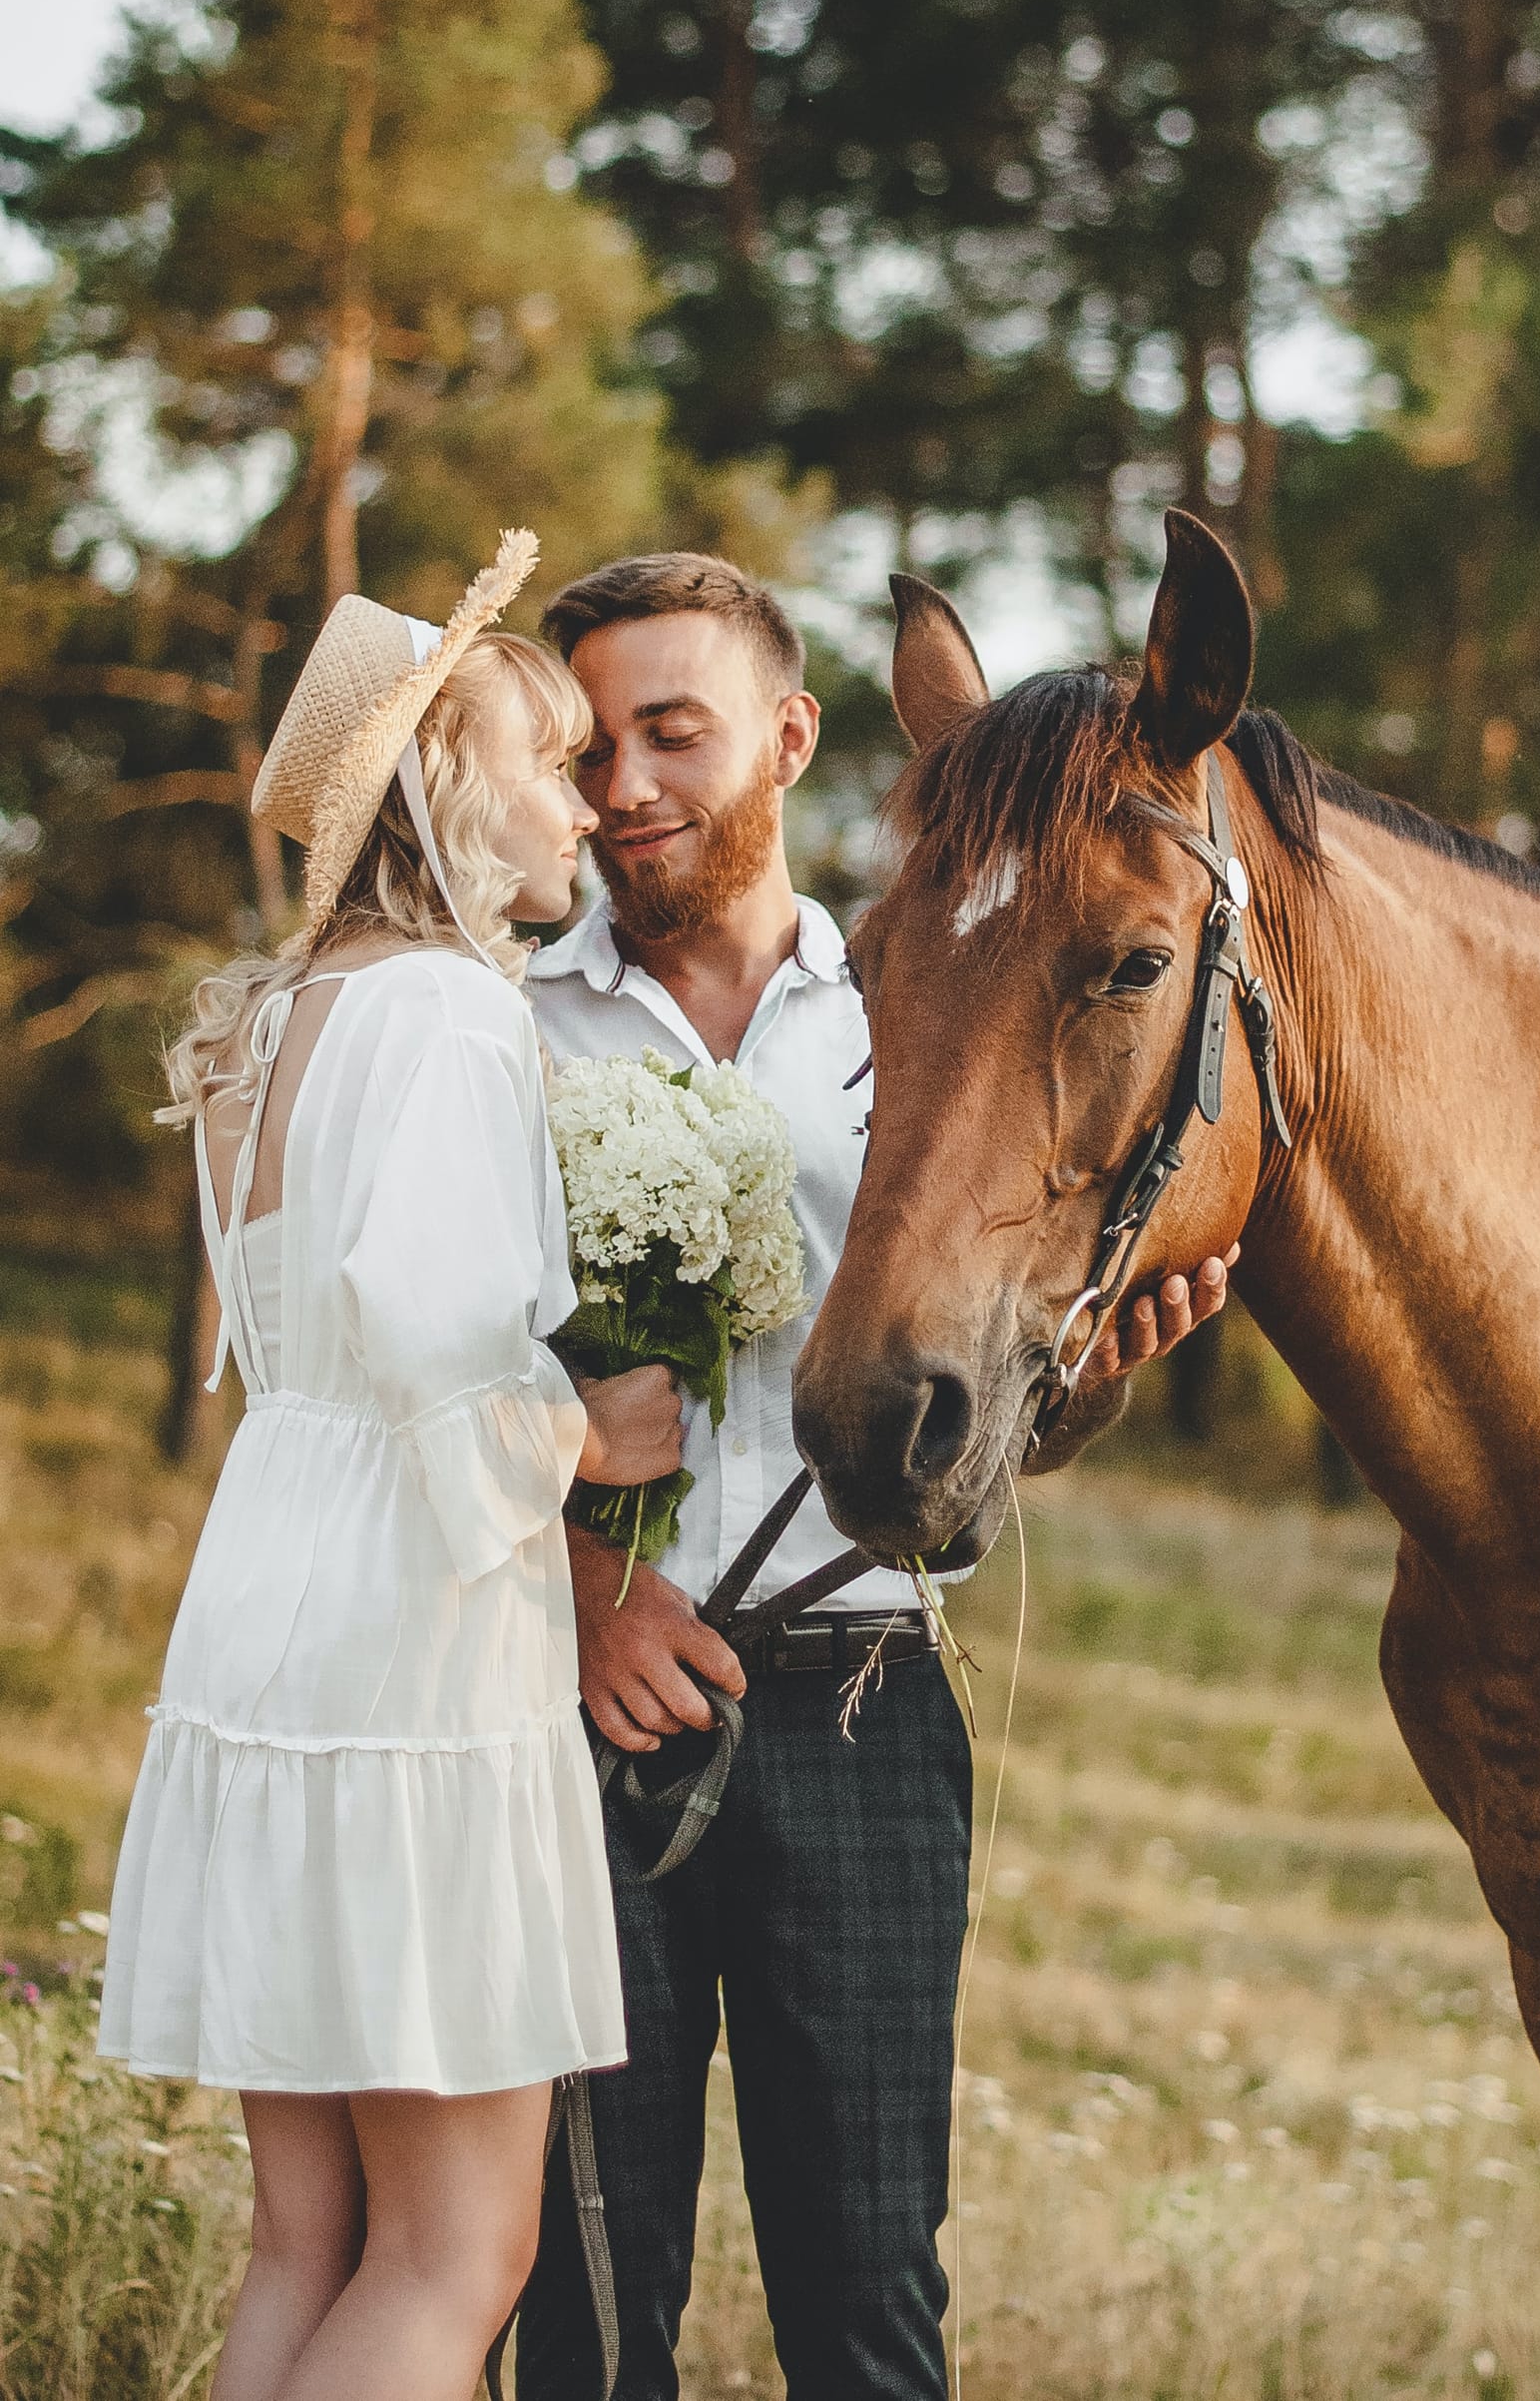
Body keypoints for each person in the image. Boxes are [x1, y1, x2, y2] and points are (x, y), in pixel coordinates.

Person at [518, 550, 1233, 2401]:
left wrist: (1087, 1392)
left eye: (674, 732)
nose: (625, 787)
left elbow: (968, 1431)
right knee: (592, 2303)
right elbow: (426, 1384)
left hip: (865, 1706)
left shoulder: (925, 1002)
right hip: (583, 1725)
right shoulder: (509, 1027)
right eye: (594, 744)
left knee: (871, 2304)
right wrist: (584, 1597)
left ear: (789, 735)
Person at [98, 534, 688, 2401]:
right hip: (411, 1645)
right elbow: (438, 1342)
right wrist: (595, 1435)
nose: (588, 809)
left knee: (312, 2241)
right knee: (457, 2253)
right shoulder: (448, 1011)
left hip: (272, 1599)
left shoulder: (279, 1016)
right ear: (442, 790)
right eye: (549, 763)